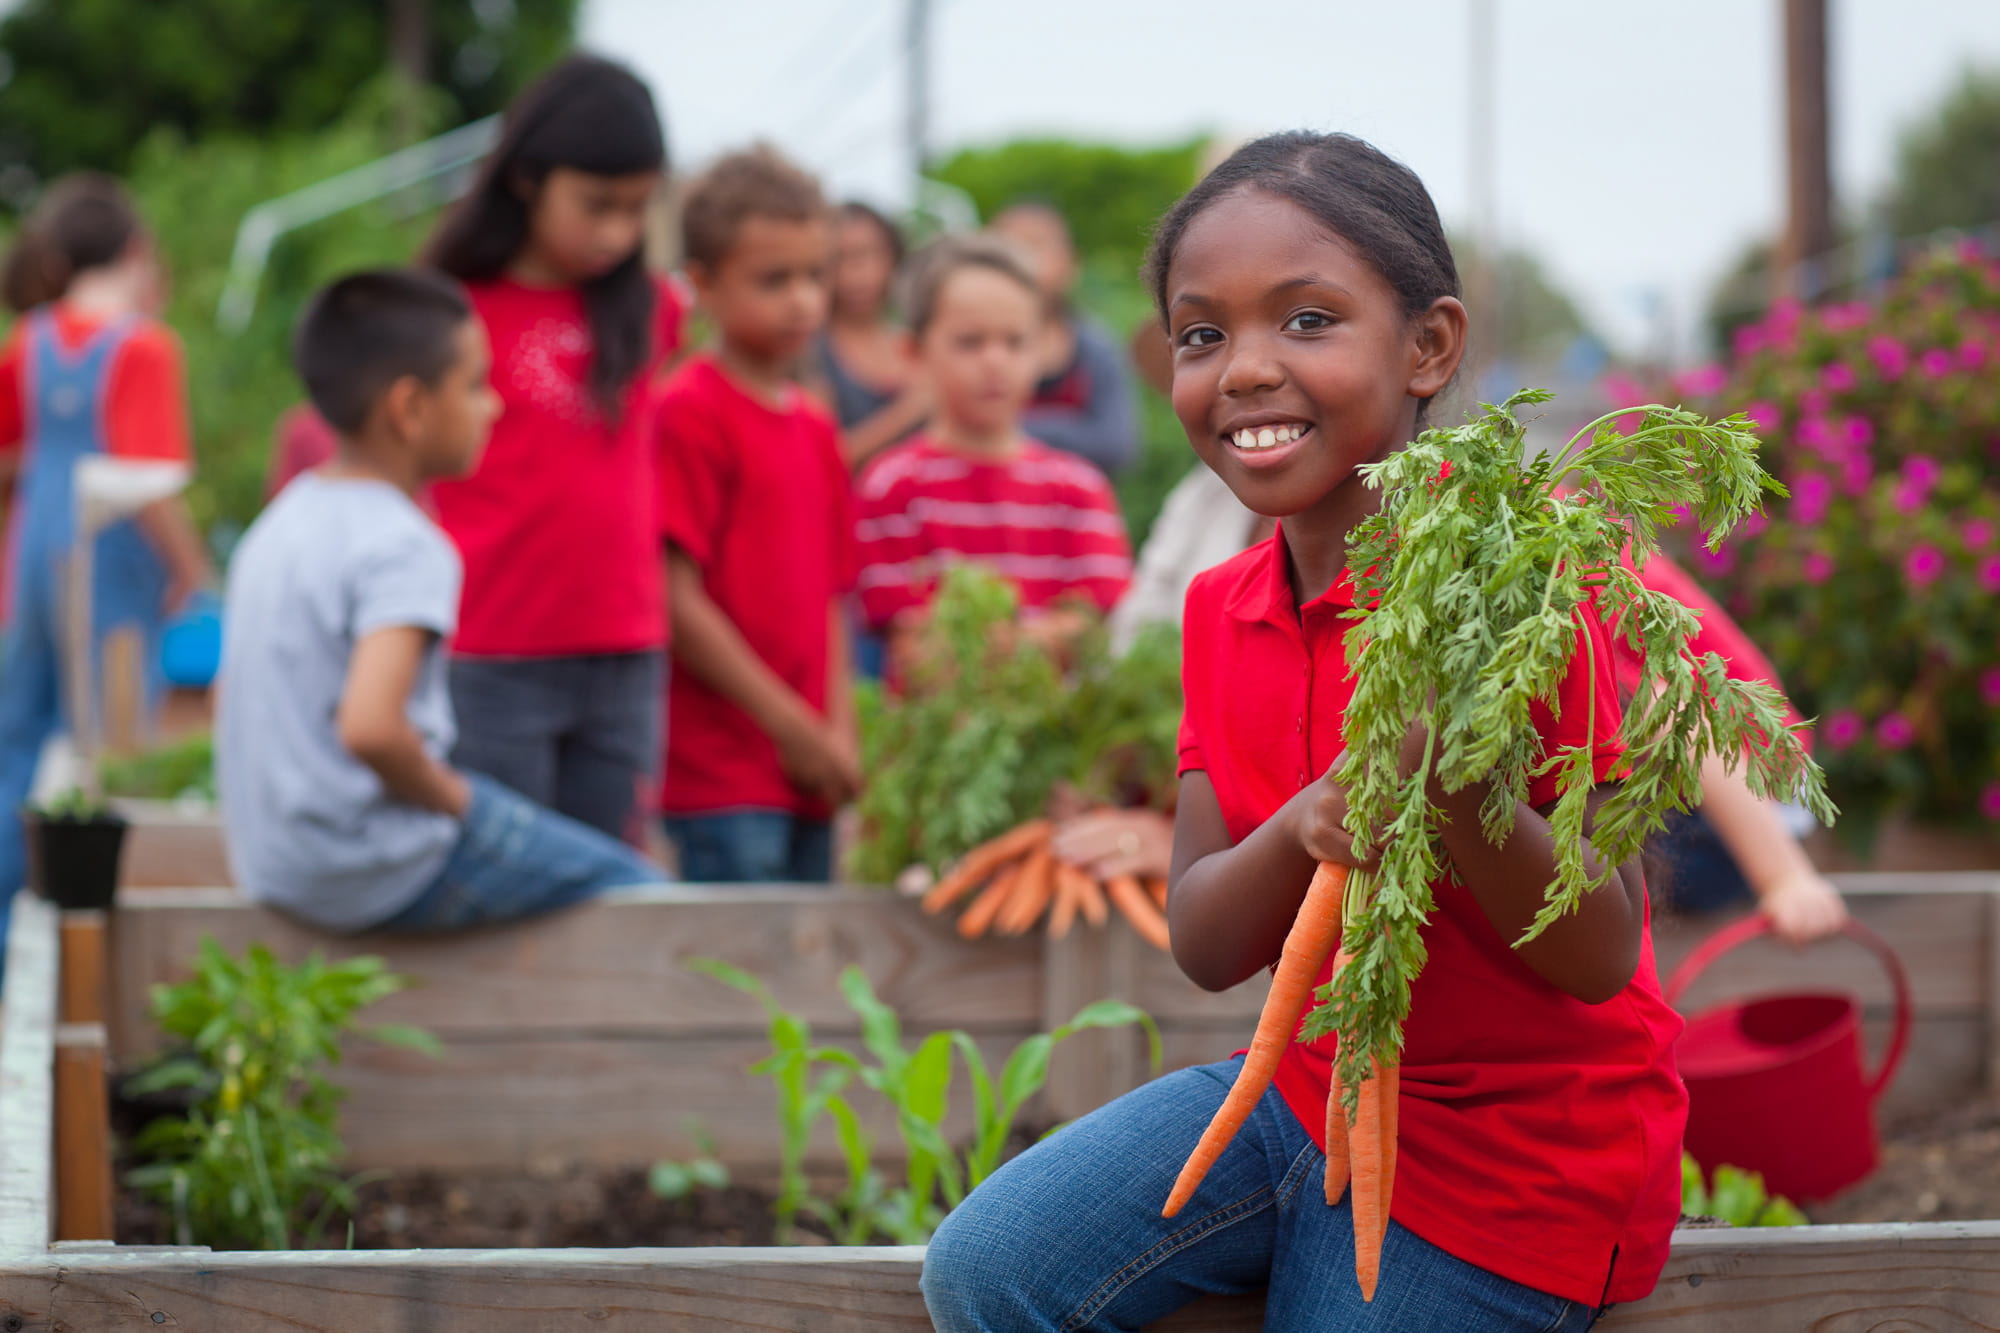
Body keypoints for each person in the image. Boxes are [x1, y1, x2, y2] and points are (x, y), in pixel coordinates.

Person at [923, 132, 1684, 1331]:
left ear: (1427, 346)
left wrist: (1448, 787)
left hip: (1517, 1159)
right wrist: (1302, 825)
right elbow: (1202, 938)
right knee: (986, 1267)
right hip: (1306, 1089)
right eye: (1201, 333)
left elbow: (1597, 955)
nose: (1241, 369)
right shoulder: (1216, 609)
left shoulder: (1527, 595)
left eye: (1308, 320)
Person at [216, 270, 665, 934]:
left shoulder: (282, 522)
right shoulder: (405, 543)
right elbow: (371, 726)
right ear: (410, 409)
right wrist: (458, 803)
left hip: (273, 861)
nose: (495, 406)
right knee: (638, 887)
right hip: (374, 866)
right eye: (476, 385)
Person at [422, 54, 682, 842]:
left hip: (625, 649)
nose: (617, 233)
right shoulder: (451, 308)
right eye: (596, 205)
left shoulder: (650, 310)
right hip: (492, 651)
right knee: (499, 880)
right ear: (527, 178)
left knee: (609, 889)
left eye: (637, 209)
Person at [0, 174, 211, 961]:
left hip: (29, 565)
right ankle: (69, 938)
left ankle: (8, 926)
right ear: (137, 251)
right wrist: (192, 571)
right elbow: (149, 482)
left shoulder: (33, 338)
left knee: (17, 740)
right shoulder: (142, 344)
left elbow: (12, 454)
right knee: (101, 749)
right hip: (110, 570)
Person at [654, 147, 857, 884]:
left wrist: (838, 734)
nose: (803, 300)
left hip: (808, 771)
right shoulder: (688, 409)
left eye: (815, 275)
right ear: (703, 283)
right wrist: (793, 727)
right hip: (723, 776)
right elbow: (675, 597)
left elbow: (832, 600)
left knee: (801, 985)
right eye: (775, 280)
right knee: (738, 988)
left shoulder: (813, 421)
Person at [855, 235, 1133, 673]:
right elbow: (912, 650)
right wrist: (1040, 639)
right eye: (970, 342)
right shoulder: (891, 486)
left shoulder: (1079, 488)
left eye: (1014, 341)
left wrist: (977, 645)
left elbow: (1096, 628)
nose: (995, 361)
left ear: (1040, 348)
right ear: (912, 352)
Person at [1621, 549, 1847, 944]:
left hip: (1732, 809)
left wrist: (1784, 878)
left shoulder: (1569, 556)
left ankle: (1785, 874)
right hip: (1680, 795)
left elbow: (1672, 708)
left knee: (1653, 705)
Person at [988, 201, 1141, 476]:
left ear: (1071, 262)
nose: (1021, 261)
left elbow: (1115, 445)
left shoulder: (1096, 348)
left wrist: (1006, 429)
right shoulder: (975, 351)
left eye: (1035, 246)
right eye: (1005, 249)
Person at [807, 202, 929, 469]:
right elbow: (822, 457)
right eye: (841, 258)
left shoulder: (918, 341)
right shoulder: (811, 350)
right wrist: (907, 411)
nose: (857, 271)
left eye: (869, 254)